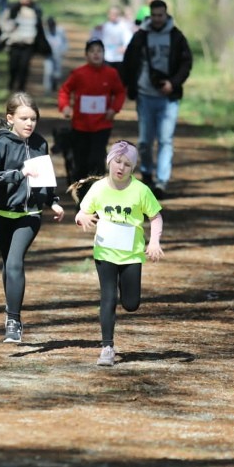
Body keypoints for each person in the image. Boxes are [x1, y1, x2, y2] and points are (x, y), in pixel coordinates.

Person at [0, 92, 65, 343]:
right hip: (3, 214)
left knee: (15, 262)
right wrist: (16, 174)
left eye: (33, 119)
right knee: (7, 264)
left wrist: (53, 202)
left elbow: (46, 178)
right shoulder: (2, 144)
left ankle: (14, 320)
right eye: (24, 118)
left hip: (30, 215)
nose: (29, 124)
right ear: (10, 118)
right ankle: (10, 311)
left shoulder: (40, 144)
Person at [74, 140, 164, 366]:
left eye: (126, 164)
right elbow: (82, 213)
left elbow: (155, 216)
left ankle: (126, 289)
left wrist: (153, 241)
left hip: (132, 254)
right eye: (117, 161)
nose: (121, 167)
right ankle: (107, 347)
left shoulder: (141, 191)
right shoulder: (99, 188)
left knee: (131, 303)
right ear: (109, 161)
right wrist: (82, 218)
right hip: (104, 252)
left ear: (132, 168)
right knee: (108, 296)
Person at [122, 0, 193, 199]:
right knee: (145, 141)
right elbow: (128, 61)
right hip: (145, 95)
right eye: (154, 15)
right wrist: (129, 87)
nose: (157, 19)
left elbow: (186, 63)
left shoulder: (176, 37)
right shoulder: (141, 37)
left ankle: (161, 182)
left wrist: (174, 83)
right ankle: (147, 174)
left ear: (166, 15)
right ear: (150, 15)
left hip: (168, 97)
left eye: (161, 15)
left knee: (165, 140)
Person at [57, 38, 126, 183]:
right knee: (81, 161)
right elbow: (64, 90)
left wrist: (114, 109)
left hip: (102, 125)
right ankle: (81, 195)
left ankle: (98, 192)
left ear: (104, 54)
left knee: (96, 159)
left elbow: (120, 92)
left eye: (99, 51)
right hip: (80, 125)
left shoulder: (111, 73)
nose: (96, 54)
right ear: (86, 55)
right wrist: (65, 107)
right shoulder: (78, 74)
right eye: (92, 51)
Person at [0, 0, 51, 93]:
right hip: (14, 43)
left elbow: (39, 28)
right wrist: (11, 27)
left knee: (24, 67)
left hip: (28, 44)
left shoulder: (36, 10)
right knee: (13, 66)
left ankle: (21, 88)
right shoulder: (13, 8)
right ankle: (11, 85)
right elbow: (3, 23)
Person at [97, 5, 133, 81]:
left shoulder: (123, 26)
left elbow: (128, 39)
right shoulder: (103, 26)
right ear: (108, 14)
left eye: (116, 14)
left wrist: (125, 47)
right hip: (106, 57)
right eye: (111, 13)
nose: (113, 16)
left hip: (119, 58)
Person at [42, 16, 68, 93]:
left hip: (58, 53)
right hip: (48, 54)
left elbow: (65, 41)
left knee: (57, 73)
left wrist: (63, 51)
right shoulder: (45, 31)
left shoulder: (60, 30)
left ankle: (54, 85)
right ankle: (47, 89)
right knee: (48, 71)